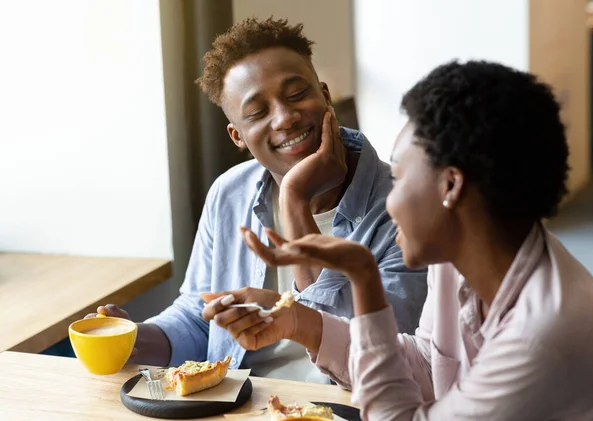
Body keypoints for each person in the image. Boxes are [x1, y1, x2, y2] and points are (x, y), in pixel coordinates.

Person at [203, 60, 593, 419]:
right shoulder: (456, 259)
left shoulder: (538, 338)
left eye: (401, 175)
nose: (389, 200)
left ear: (450, 186)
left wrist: (364, 277)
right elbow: (428, 366)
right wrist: (297, 321)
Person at [90, 17, 427, 384]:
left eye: (297, 94)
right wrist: (135, 339)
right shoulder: (229, 193)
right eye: (257, 113)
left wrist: (295, 200)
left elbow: (382, 361)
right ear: (237, 135)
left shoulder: (405, 204)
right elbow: (198, 315)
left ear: (326, 96)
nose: (285, 118)